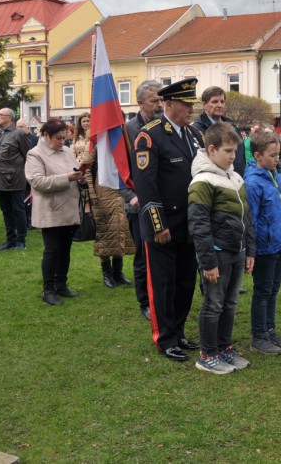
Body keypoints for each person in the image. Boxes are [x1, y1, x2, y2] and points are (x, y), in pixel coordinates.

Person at [132, 77, 204, 362]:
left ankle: (178, 331)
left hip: (189, 221)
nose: (191, 110)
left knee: (185, 282)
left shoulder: (194, 135)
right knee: (163, 284)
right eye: (187, 105)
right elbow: (146, 186)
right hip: (164, 224)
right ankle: (164, 339)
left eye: (192, 105)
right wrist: (158, 225)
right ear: (170, 105)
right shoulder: (149, 136)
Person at [188, 122, 255, 374]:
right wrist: (208, 262)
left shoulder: (235, 177)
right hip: (217, 252)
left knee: (230, 303)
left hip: (237, 250)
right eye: (228, 151)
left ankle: (225, 348)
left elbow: (246, 216)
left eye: (235, 151)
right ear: (212, 149)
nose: (233, 156)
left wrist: (250, 249)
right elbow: (199, 225)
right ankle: (207, 354)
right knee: (214, 304)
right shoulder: (202, 180)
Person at [244, 131, 281, 356]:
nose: (277, 158)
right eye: (272, 155)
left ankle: (270, 329)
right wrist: (252, 250)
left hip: (280, 244)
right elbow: (251, 220)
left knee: (273, 290)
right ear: (258, 156)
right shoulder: (253, 183)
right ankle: (259, 336)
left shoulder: (279, 177)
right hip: (264, 248)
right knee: (263, 291)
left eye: (278, 154)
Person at [25, 119, 86, 305]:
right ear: (46, 135)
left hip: (69, 208)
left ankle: (61, 284)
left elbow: (74, 173)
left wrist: (80, 179)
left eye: (64, 138)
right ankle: (48, 289)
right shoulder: (35, 154)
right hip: (50, 210)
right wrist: (67, 177)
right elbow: (38, 182)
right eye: (58, 138)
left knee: (65, 249)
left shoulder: (67, 151)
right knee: (52, 250)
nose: (62, 142)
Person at [122, 79, 163, 321]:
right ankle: (145, 302)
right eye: (154, 100)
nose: (159, 104)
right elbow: (118, 169)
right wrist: (131, 197)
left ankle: (161, 296)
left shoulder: (164, 125)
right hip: (138, 204)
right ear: (140, 103)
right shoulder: (128, 129)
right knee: (143, 256)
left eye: (161, 100)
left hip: (163, 201)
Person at [82, 143, 135, 289]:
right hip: (101, 194)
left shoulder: (119, 139)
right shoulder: (94, 143)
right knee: (105, 233)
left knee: (120, 231)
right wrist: (91, 193)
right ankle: (107, 273)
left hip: (121, 191)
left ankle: (118, 272)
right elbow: (86, 169)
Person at [0, 107, 32, 250]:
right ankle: (10, 240)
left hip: (14, 180)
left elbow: (29, 155)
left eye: (0, 115)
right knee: (6, 210)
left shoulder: (18, 133)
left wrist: (28, 177)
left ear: (9, 118)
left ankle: (21, 240)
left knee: (18, 210)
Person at [191, 86, 246, 177]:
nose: (220, 105)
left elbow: (240, 156)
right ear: (204, 105)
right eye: (215, 102)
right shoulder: (196, 130)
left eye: (222, 101)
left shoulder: (232, 126)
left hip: (236, 179)